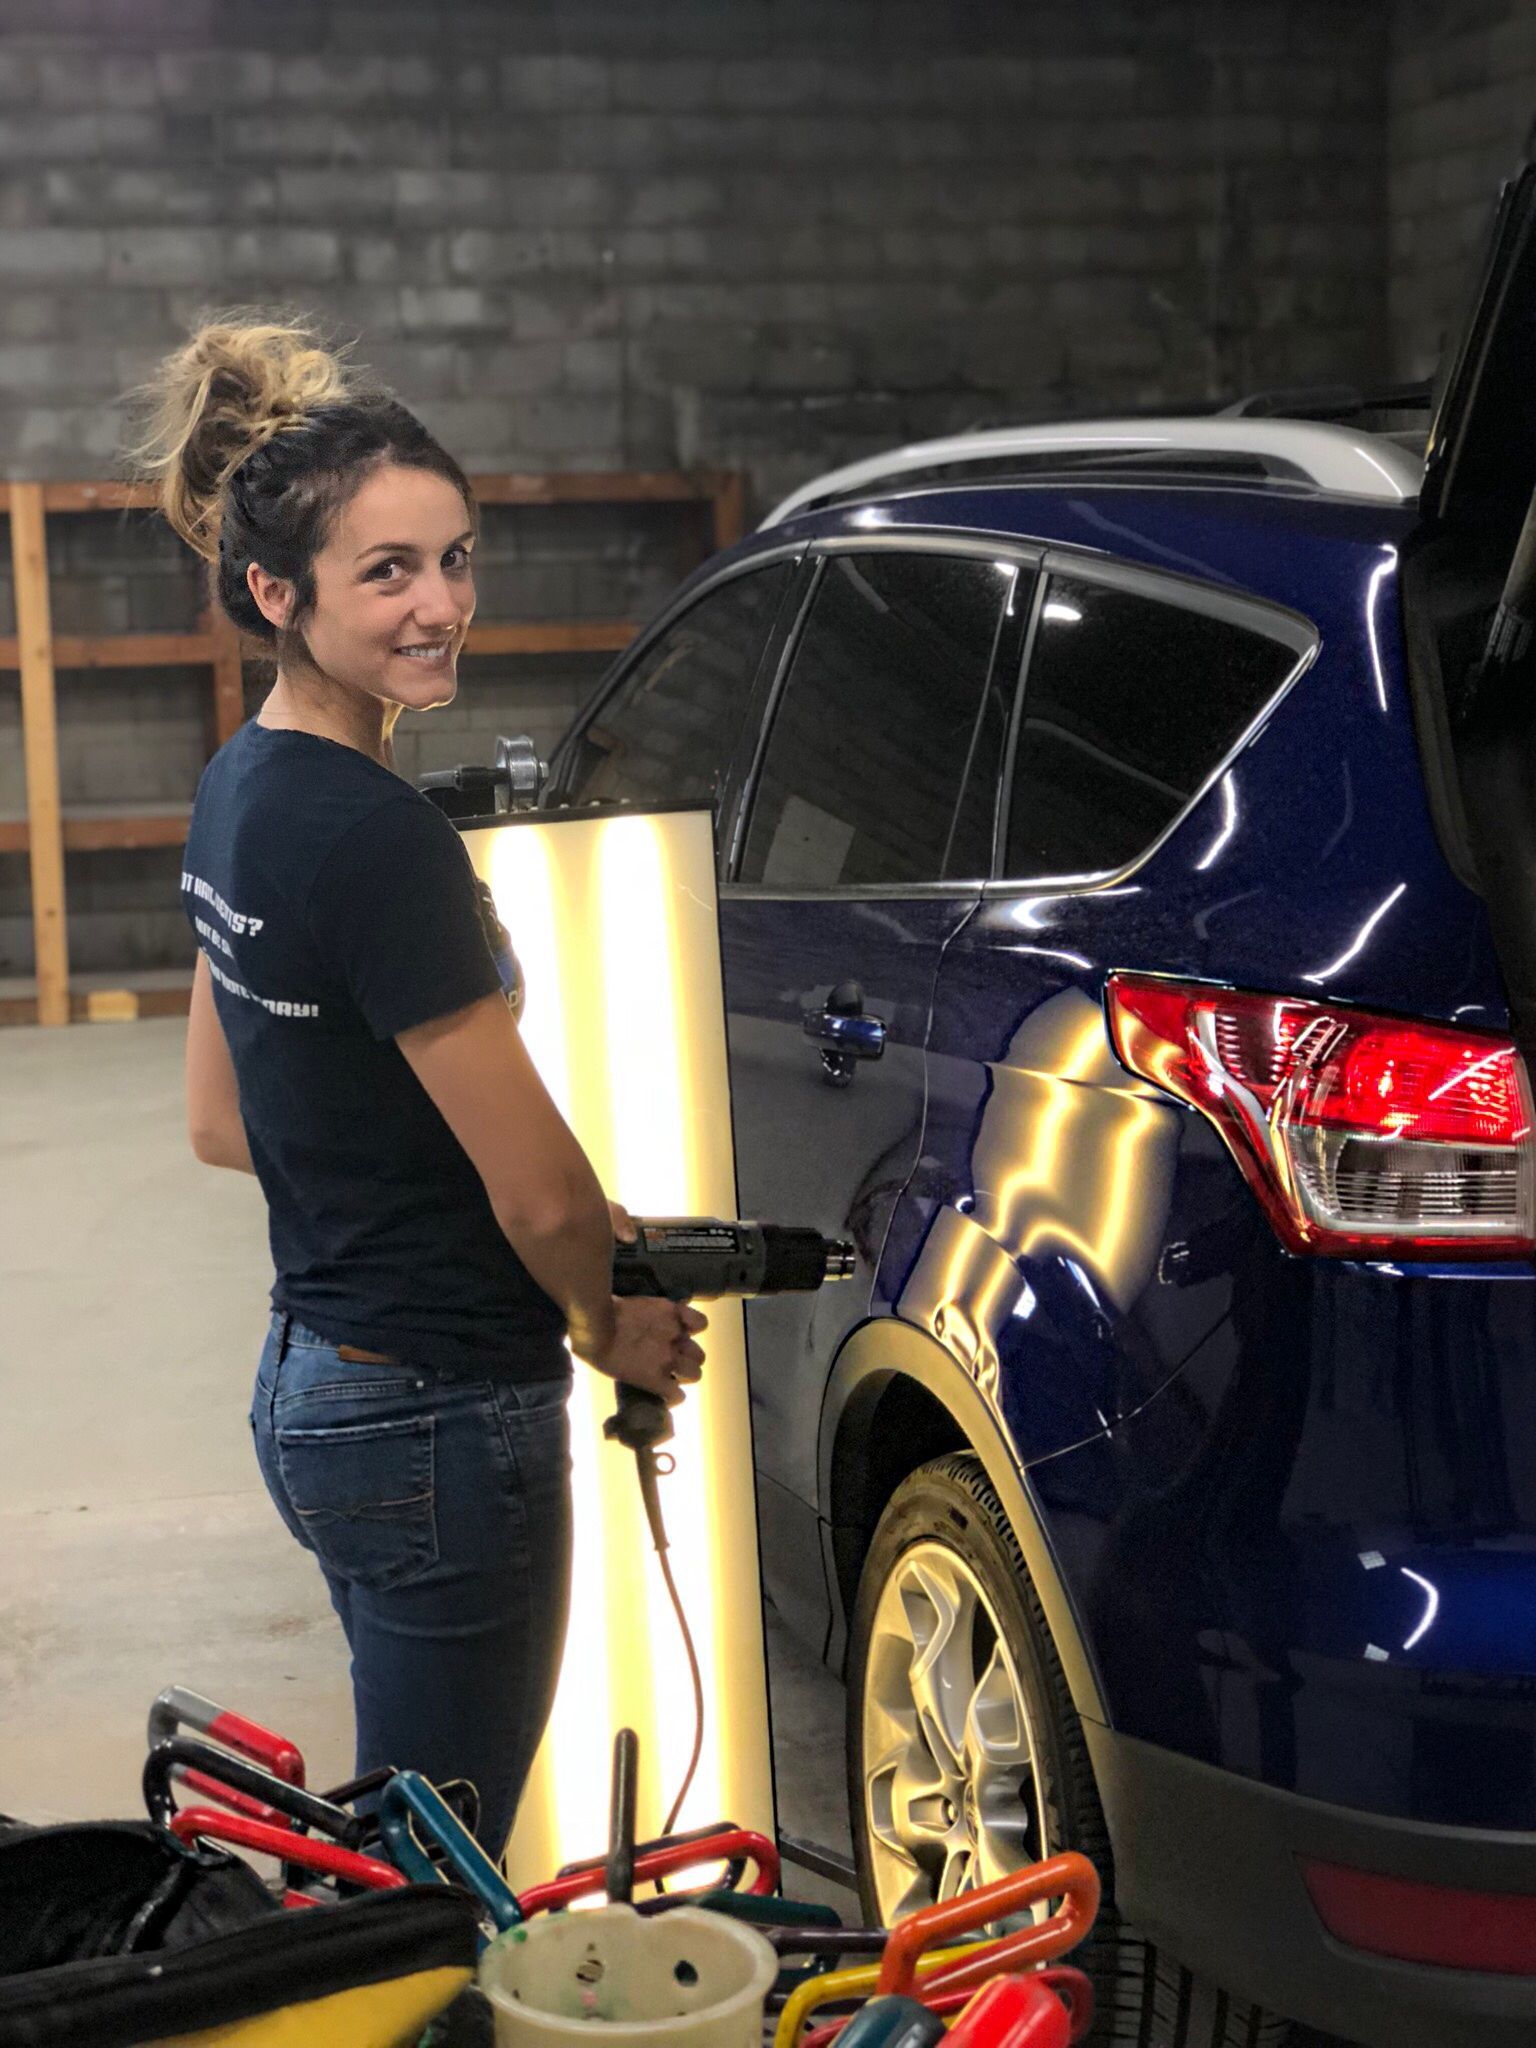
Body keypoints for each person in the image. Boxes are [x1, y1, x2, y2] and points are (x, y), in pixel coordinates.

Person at [135, 316, 706, 1859]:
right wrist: (606, 1310)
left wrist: (415, 1199)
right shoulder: (382, 841)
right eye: (388, 573)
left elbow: (222, 1117)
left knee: (403, 1833)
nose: (440, 605)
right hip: (445, 1413)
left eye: (454, 559)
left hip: (317, 1382)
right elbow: (534, 1188)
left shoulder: (240, 788)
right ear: (278, 592)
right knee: (430, 1881)